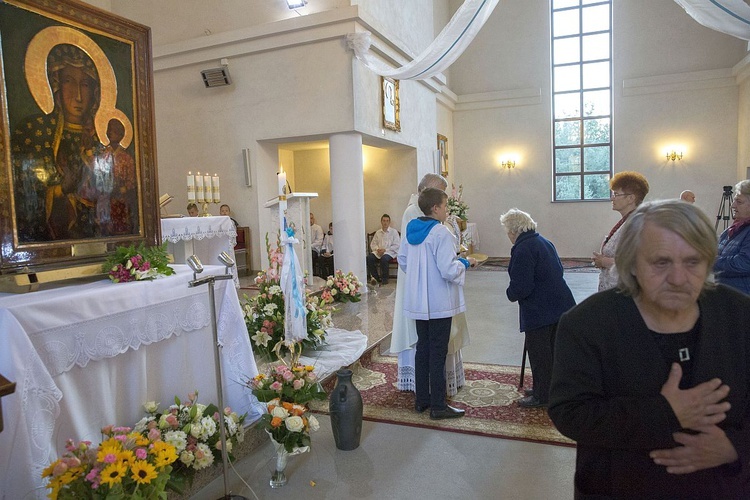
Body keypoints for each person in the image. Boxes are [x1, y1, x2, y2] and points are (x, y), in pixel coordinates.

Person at [549, 199, 750, 498]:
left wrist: (737, 446)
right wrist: (665, 414)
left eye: (693, 262)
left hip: (722, 486)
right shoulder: (588, 323)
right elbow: (570, 412)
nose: (679, 279)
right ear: (631, 263)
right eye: (661, 262)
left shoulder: (740, 314)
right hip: (621, 485)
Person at [398, 188, 476, 420]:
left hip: (419, 302)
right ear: (435, 208)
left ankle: (422, 400)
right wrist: (465, 262)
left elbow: (403, 261)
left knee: (423, 349)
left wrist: (419, 280)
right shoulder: (441, 232)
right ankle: (439, 406)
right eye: (445, 206)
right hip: (439, 302)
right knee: (438, 352)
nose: (447, 210)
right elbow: (448, 270)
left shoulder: (411, 229)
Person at [12, 44, 101, 241]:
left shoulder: (99, 141)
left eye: (85, 84)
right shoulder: (34, 130)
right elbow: (22, 190)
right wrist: (60, 189)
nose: (78, 95)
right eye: (69, 81)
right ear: (55, 84)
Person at [500, 208, 575, 408]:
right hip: (560, 306)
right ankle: (546, 388)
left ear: (513, 231)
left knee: (540, 355)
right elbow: (559, 269)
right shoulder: (543, 241)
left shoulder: (523, 248)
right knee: (551, 352)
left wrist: (510, 294)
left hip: (540, 310)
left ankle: (542, 396)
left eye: (507, 231)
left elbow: (522, 286)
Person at [392, 173, 449, 392]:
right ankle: (434, 397)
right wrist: (462, 265)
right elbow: (444, 266)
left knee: (425, 344)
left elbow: (405, 257)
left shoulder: (424, 219)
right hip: (428, 289)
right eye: (441, 198)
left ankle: (423, 398)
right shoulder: (414, 214)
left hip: (421, 286)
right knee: (431, 345)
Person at [593, 170, 649, 291]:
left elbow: (637, 264)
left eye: (616, 194)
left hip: (625, 292)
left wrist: (604, 262)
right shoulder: (628, 220)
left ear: (630, 198)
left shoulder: (638, 224)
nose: (612, 198)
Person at [714, 179, 750, 294]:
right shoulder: (731, 230)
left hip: (742, 299)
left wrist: (709, 261)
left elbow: (744, 263)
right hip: (726, 295)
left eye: (739, 202)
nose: (732, 206)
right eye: (734, 201)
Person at [366, 214, 400, 285]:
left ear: (389, 222)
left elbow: (396, 245)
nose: (385, 222)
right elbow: (373, 244)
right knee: (369, 258)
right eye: (384, 221)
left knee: (384, 259)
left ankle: (385, 279)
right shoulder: (378, 232)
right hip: (378, 252)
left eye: (387, 221)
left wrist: (385, 250)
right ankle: (376, 278)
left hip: (390, 252)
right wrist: (377, 249)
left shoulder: (394, 232)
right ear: (381, 222)